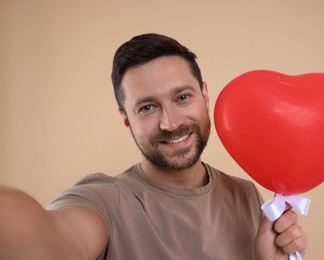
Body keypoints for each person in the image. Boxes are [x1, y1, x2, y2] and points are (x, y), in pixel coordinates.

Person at [0, 33, 307, 259]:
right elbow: (49, 242)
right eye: (147, 107)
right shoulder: (104, 200)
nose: (171, 123)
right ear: (126, 119)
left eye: (182, 97)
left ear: (205, 95)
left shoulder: (246, 195)